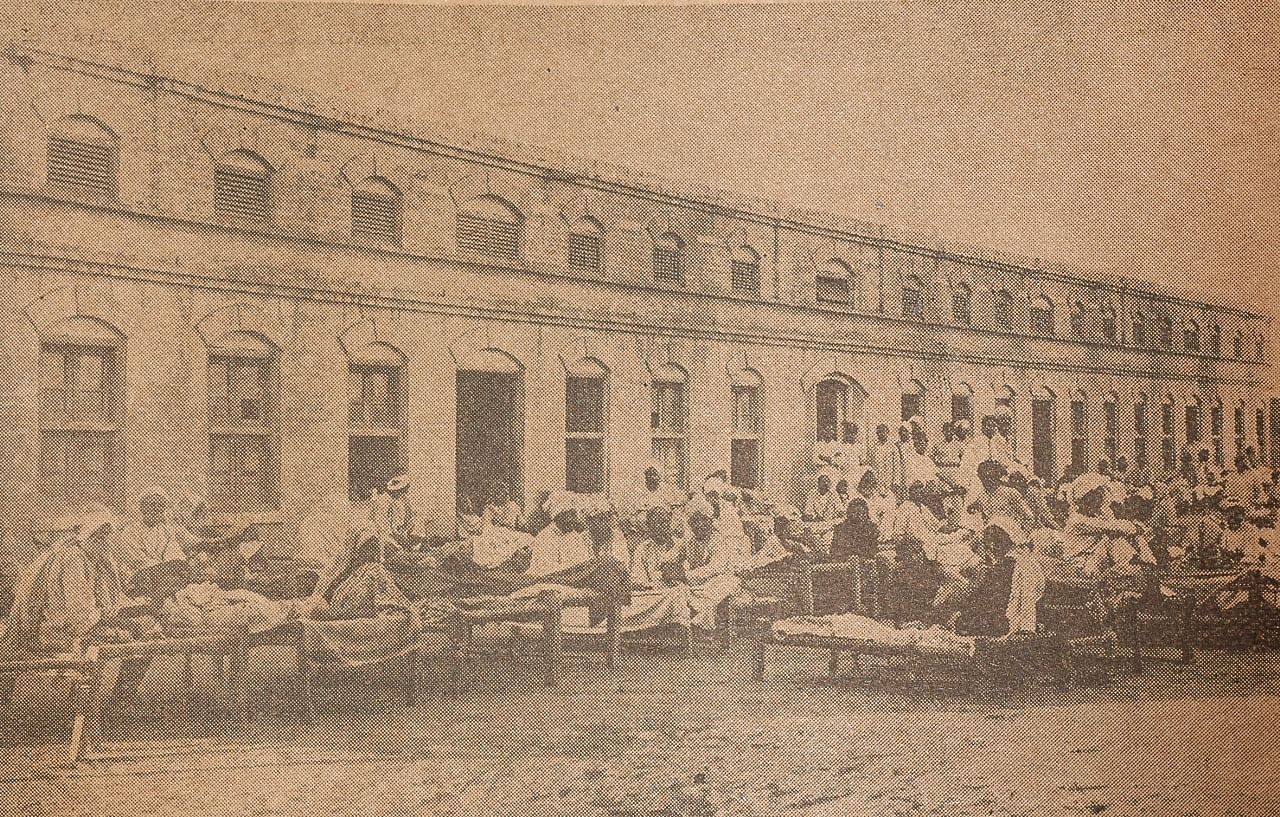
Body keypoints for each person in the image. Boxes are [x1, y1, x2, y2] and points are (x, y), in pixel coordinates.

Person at [2, 512, 132, 657]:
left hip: (76, 625)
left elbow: (106, 603)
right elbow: (78, 616)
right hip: (55, 631)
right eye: (100, 537)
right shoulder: (73, 558)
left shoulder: (95, 559)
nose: (105, 542)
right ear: (88, 536)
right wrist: (106, 617)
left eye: (106, 536)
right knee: (127, 638)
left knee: (138, 630)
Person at [115, 488, 198, 587]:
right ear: (142, 508)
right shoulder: (130, 531)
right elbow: (134, 560)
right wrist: (161, 568)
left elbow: (173, 554)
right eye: (153, 505)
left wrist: (176, 564)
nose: (157, 509)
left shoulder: (166, 531)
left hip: (164, 577)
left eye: (161, 506)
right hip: (139, 579)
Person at [967, 460, 1036, 533]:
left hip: (1011, 535)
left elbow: (1029, 517)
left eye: (991, 477)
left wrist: (1022, 534)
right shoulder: (982, 495)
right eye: (984, 478)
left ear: (997, 476)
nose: (988, 481)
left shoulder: (1010, 493)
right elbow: (981, 517)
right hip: (992, 537)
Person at [870, 424, 904, 500]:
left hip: (889, 480)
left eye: (883, 432)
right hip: (877, 480)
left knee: (889, 502)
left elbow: (897, 466)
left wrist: (895, 482)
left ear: (887, 432)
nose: (881, 434)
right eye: (879, 432)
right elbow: (872, 465)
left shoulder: (893, 448)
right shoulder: (874, 447)